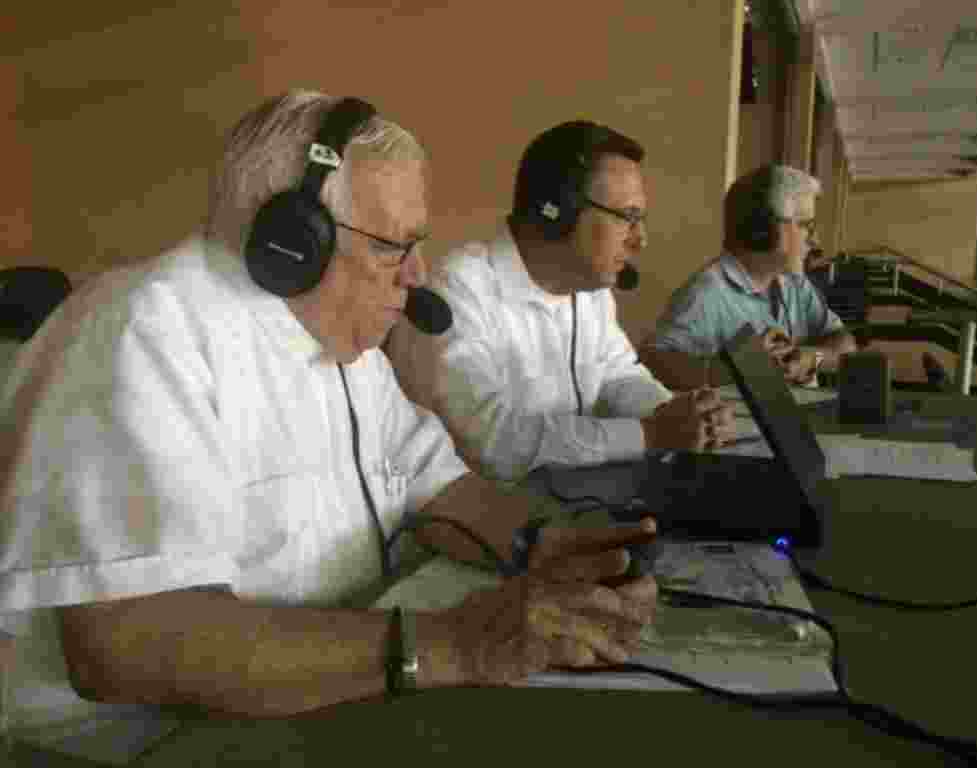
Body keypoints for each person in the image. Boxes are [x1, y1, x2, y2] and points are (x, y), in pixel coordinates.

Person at [0, 92, 657, 762]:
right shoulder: (143, 331)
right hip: (143, 744)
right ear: (292, 240)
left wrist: (548, 543)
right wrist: (457, 643)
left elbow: (435, 485)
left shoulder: (337, 333)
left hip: (311, 702)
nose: (416, 274)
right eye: (391, 246)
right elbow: (127, 645)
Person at [387, 121, 735, 482]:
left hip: (575, 498)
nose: (640, 240)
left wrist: (677, 414)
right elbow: (489, 439)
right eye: (627, 218)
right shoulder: (459, 289)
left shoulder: (590, 290)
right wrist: (649, 435)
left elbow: (618, 375)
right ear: (556, 212)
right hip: (488, 509)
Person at [641, 164, 857, 391]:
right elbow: (653, 365)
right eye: (806, 225)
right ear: (763, 229)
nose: (815, 240)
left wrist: (811, 357)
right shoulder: (707, 293)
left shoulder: (794, 283)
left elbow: (845, 344)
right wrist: (741, 367)